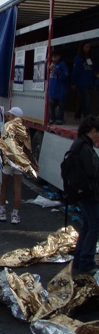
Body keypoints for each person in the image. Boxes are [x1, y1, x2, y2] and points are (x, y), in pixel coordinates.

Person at [0, 107, 37, 225]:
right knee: (17, 188)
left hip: (8, 161)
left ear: (13, 116)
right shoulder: (24, 129)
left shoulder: (7, 126)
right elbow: (28, 148)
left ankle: (2, 211)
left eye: (10, 115)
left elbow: (3, 142)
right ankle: (15, 214)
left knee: (4, 186)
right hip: (19, 162)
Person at [69, 116, 99, 276]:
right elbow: (91, 171)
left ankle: (79, 260)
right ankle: (86, 263)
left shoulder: (80, 143)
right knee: (94, 226)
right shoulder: (84, 147)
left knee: (88, 225)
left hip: (82, 192)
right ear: (93, 131)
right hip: (87, 193)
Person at [72, 42, 97, 120]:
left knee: (84, 100)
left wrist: (94, 81)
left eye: (89, 47)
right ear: (82, 48)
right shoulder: (78, 58)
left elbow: (92, 71)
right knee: (86, 99)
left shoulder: (89, 58)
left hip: (89, 83)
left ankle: (77, 115)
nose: (88, 49)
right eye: (86, 47)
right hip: (81, 83)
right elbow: (75, 71)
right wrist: (73, 83)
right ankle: (87, 117)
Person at [48, 50, 69, 125]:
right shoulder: (51, 64)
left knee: (61, 104)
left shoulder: (62, 65)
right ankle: (52, 118)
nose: (54, 59)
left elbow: (64, 76)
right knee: (51, 104)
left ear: (59, 56)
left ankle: (60, 118)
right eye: (52, 57)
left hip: (60, 88)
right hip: (52, 88)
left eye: (55, 57)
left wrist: (56, 71)